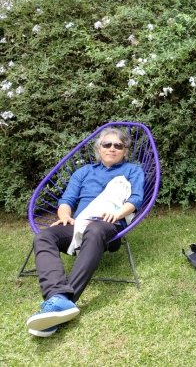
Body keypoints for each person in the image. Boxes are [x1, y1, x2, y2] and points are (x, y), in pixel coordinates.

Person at [26, 128, 145, 337]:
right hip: (78, 222)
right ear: (99, 148)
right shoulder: (84, 172)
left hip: (108, 224)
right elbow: (67, 200)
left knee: (95, 229)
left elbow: (136, 199)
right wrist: (64, 215)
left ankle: (63, 302)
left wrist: (117, 214)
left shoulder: (132, 170)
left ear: (125, 151)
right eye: (107, 144)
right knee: (44, 236)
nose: (112, 148)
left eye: (118, 145)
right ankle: (56, 295)